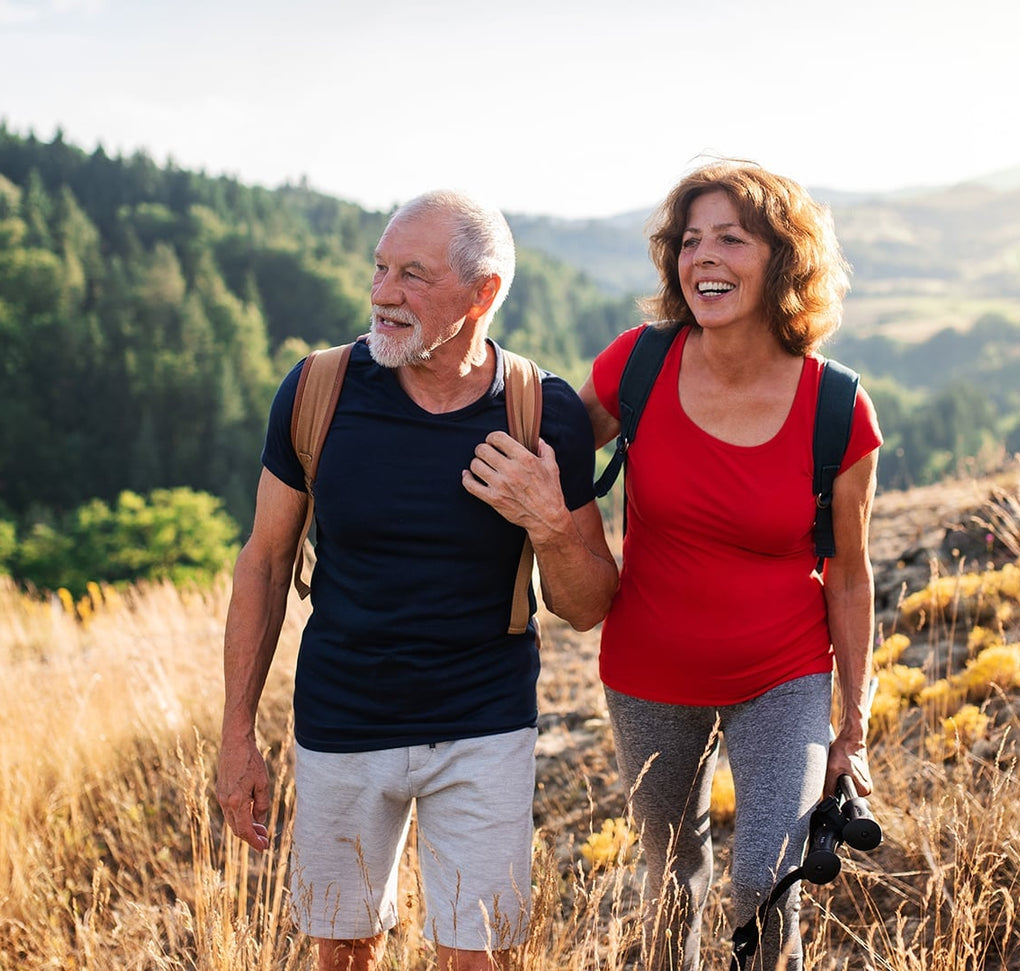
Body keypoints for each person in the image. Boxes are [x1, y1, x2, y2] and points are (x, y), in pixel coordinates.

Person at [216, 189, 618, 971]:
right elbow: (263, 562)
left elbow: (588, 604)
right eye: (379, 267)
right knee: (342, 949)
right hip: (341, 718)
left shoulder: (545, 411)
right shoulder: (316, 392)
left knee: (478, 959)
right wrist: (237, 736)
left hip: (484, 723)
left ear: (483, 294)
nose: (382, 293)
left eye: (412, 274)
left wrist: (548, 518)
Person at [576, 161, 882, 971]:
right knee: (672, 879)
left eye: (731, 239)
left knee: (764, 875)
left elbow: (849, 575)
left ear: (782, 259)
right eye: (690, 240)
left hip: (783, 674)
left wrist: (853, 715)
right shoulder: (636, 366)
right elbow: (551, 453)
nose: (703, 256)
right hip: (648, 670)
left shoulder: (837, 407)